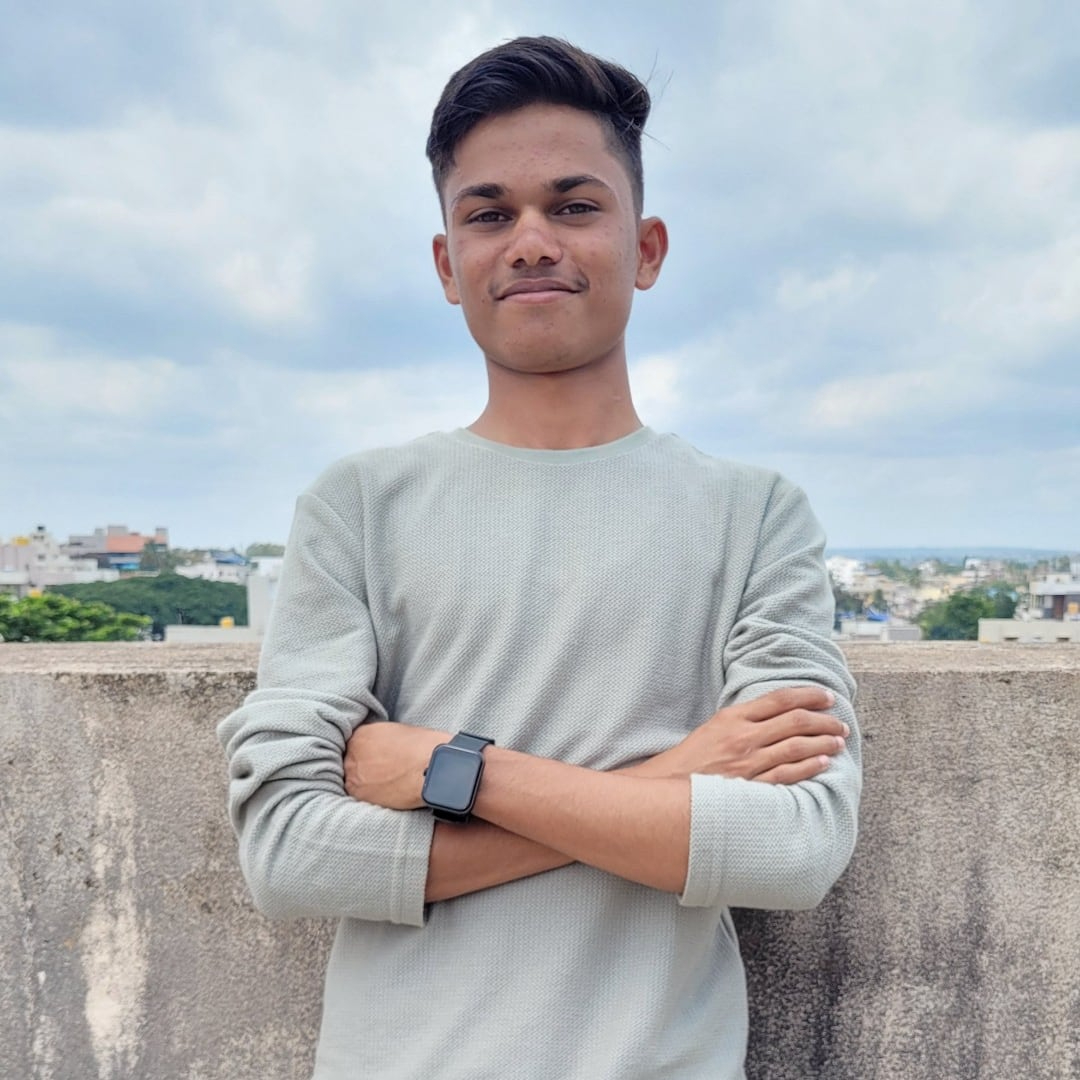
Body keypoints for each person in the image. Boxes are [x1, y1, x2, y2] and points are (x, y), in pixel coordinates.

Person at [219, 35, 861, 1080]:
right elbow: (289, 855)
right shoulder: (359, 508)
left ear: (646, 248)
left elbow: (795, 848)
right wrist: (670, 779)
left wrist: (453, 772)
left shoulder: (756, 515)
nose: (530, 242)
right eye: (488, 214)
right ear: (448, 264)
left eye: (573, 206)